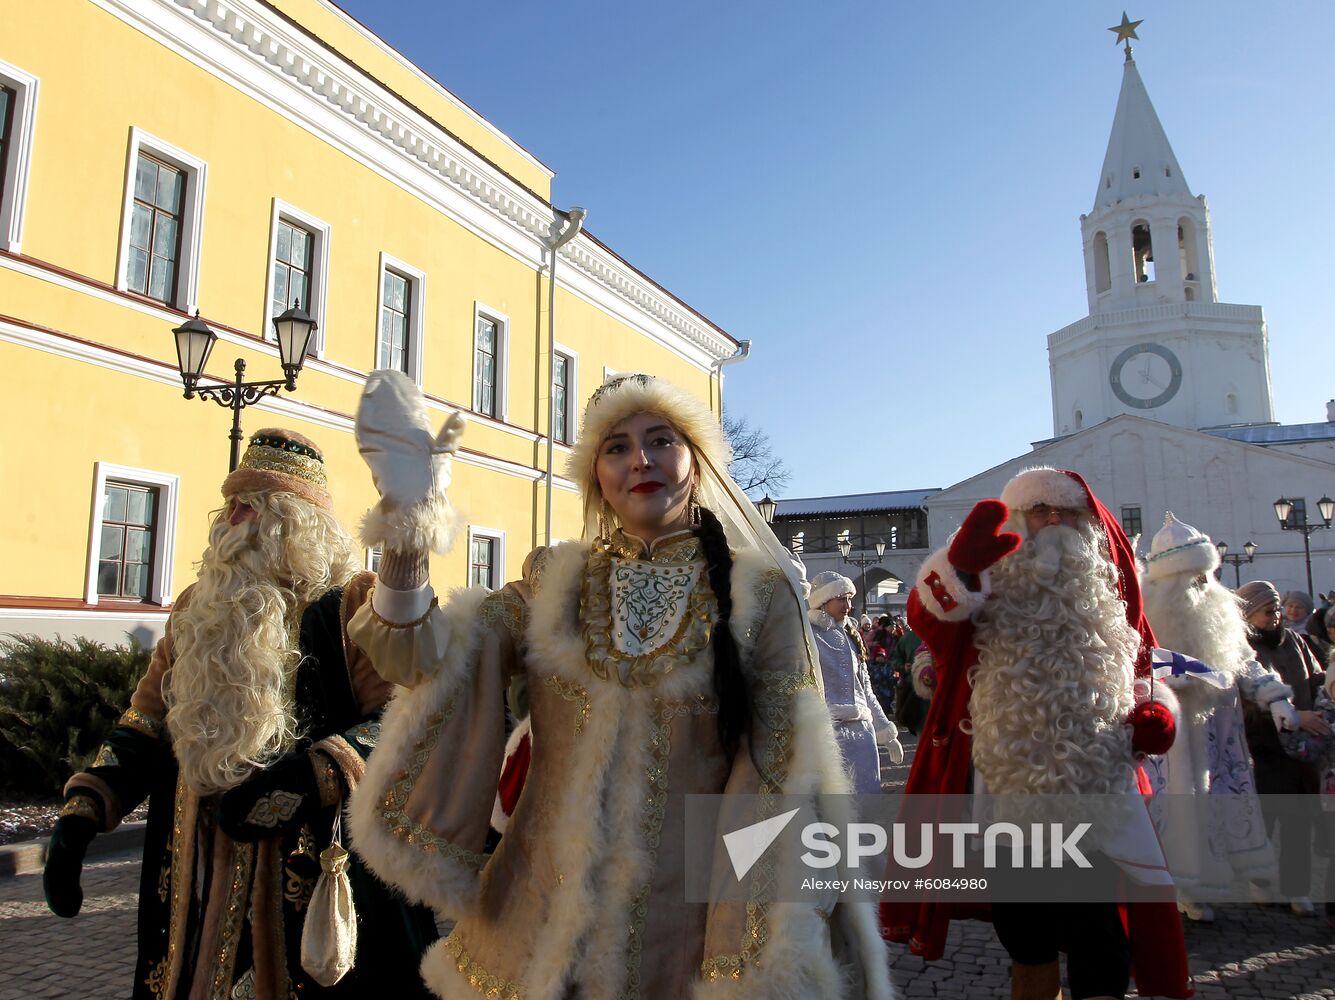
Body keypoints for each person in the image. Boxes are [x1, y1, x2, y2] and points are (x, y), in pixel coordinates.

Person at [344, 371, 892, 999]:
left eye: (661, 440)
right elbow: (421, 660)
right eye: (616, 447)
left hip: (685, 933)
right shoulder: (553, 585)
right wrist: (408, 529)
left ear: (696, 457)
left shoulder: (757, 594)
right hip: (532, 928)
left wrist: (739, 953)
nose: (640, 460)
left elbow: (773, 778)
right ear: (595, 476)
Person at [42, 429, 438, 998]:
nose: (230, 519)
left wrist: (310, 777)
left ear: (294, 522)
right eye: (228, 503)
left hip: (309, 879)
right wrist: (86, 808)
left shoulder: (354, 605)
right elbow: (145, 721)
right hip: (192, 877)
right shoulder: (193, 611)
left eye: (250, 504)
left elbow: (407, 723)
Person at [881, 467, 1190, 1000]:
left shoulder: (1109, 587)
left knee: (1099, 929)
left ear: (1087, 521)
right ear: (1019, 522)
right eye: (1040, 512)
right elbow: (927, 619)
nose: (1054, 522)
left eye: (1066, 512)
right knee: (1024, 926)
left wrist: (1155, 709)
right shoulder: (989, 577)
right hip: (1006, 776)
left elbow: (1143, 661)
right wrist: (958, 567)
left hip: (1094, 778)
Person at [1139, 513, 1281, 921]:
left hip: (1221, 729)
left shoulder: (1222, 614)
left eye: (1205, 577)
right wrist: (1172, 683)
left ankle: (1246, 873)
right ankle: (1182, 885)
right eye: (1191, 578)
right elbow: (1141, 665)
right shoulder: (1151, 617)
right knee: (1179, 807)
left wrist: (1275, 697)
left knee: (1226, 801)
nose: (1201, 588)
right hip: (1175, 735)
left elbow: (1245, 661)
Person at [1237, 580, 1331, 916]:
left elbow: (1315, 677)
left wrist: (1324, 699)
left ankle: (1297, 889)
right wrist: (1292, 715)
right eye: (1268, 610)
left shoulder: (1295, 640)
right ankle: (1260, 882)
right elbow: (1245, 703)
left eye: (1277, 609)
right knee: (1264, 821)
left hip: (1302, 751)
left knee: (1298, 824)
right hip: (1263, 750)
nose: (1276, 616)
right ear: (1249, 613)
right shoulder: (1241, 649)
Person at [809, 571, 903, 793]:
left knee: (867, 802)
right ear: (823, 600)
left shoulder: (852, 634)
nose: (848, 605)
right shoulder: (808, 633)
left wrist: (886, 732)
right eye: (841, 598)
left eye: (850, 598)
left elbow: (866, 689)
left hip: (863, 733)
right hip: (828, 732)